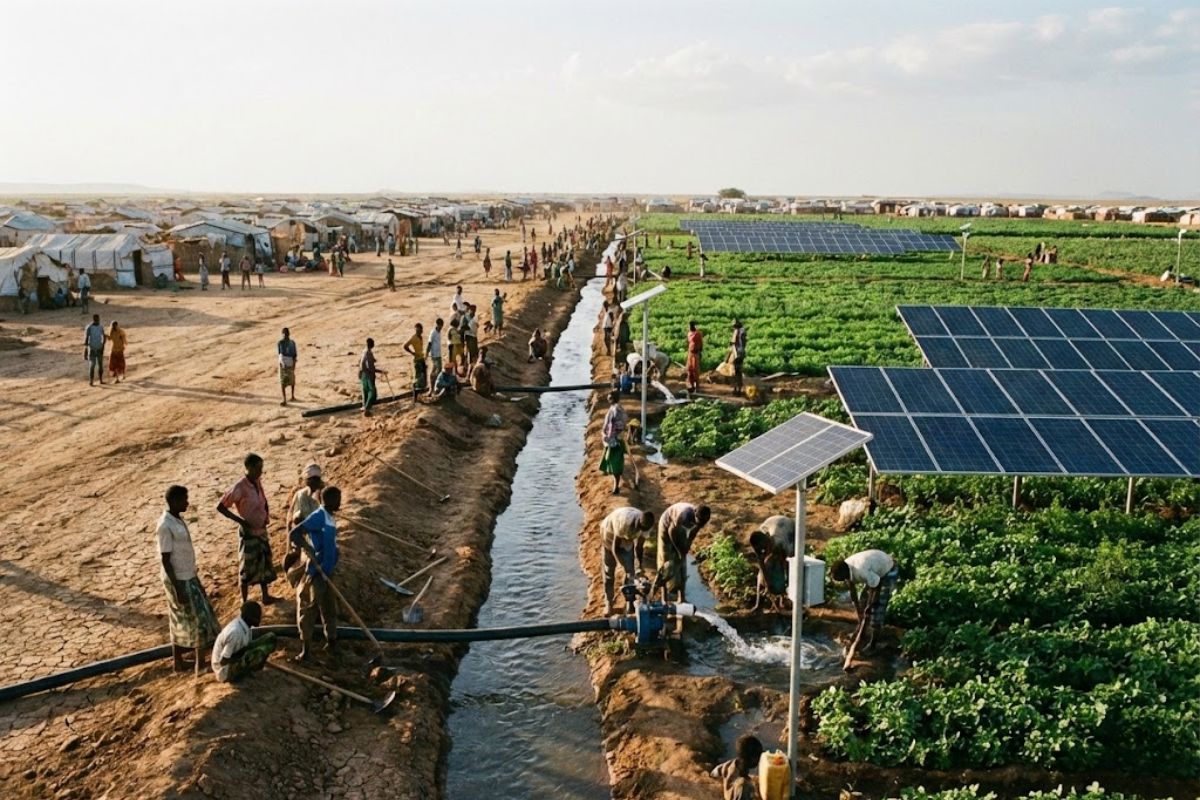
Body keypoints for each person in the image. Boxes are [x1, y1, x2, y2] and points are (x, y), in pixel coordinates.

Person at [158, 484, 219, 673]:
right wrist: (178, 588)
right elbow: (165, 560)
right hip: (178, 578)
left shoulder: (176, 519)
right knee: (198, 619)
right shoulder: (165, 526)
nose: (187, 502)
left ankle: (179, 663)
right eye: (184, 499)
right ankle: (200, 665)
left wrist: (196, 579)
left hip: (188, 574)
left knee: (180, 619)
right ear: (174, 501)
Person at [289, 486, 342, 662]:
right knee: (309, 610)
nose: (340, 502)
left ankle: (332, 643)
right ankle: (306, 651)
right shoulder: (318, 516)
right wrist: (309, 549)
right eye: (338, 499)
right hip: (316, 571)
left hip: (328, 571)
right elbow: (295, 533)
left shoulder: (329, 517)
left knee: (329, 609)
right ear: (330, 500)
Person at [217, 453, 278, 605]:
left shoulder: (257, 481)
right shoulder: (240, 487)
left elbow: (263, 501)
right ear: (248, 467)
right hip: (249, 533)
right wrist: (241, 521)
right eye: (258, 468)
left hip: (261, 530)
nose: (261, 471)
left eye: (261, 468)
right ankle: (244, 602)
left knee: (264, 562)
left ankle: (265, 596)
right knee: (246, 567)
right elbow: (221, 507)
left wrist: (265, 516)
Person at [829, 549, 898, 654]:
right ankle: (862, 631)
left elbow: (876, 585)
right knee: (863, 601)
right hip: (874, 570)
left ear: (843, 574)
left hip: (887, 570)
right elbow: (853, 591)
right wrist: (860, 614)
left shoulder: (861, 570)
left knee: (877, 609)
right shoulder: (847, 567)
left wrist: (870, 606)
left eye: (839, 579)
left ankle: (873, 645)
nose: (840, 581)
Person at [600, 506, 655, 615]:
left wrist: (639, 566)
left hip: (626, 538)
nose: (643, 531)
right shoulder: (625, 523)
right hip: (609, 534)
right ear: (638, 523)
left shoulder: (647, 525)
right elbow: (615, 548)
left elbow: (639, 547)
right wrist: (621, 566)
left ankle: (630, 603)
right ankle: (609, 603)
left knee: (631, 572)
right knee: (609, 571)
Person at [654, 502, 711, 603]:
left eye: (702, 523)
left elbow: (694, 531)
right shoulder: (684, 515)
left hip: (679, 528)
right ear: (695, 514)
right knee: (666, 562)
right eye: (699, 522)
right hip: (667, 525)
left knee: (682, 563)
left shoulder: (701, 519)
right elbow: (671, 531)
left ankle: (682, 598)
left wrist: (687, 545)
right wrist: (678, 550)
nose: (700, 524)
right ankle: (664, 598)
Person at [211, 601, 276, 683]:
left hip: (237, 656)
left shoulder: (245, 626)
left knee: (270, 637)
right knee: (259, 652)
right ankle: (245, 672)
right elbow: (223, 661)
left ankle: (251, 669)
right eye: (255, 617)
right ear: (247, 617)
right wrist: (245, 657)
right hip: (225, 671)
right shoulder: (235, 633)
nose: (259, 619)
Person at [284, 463, 324, 586]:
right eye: (311, 480)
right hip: (303, 532)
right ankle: (294, 574)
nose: (314, 483)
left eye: (316, 480)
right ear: (306, 481)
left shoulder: (321, 494)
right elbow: (295, 518)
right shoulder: (301, 495)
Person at [748, 515, 794, 612]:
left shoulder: (781, 544)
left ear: (768, 541)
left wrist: (787, 586)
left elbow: (787, 565)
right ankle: (758, 603)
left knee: (781, 565)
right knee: (764, 569)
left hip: (787, 526)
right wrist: (767, 583)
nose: (763, 551)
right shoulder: (757, 541)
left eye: (765, 548)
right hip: (771, 523)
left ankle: (784, 599)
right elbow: (761, 564)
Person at [710, 735, 764, 800]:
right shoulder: (744, 786)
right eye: (759, 756)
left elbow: (714, 773)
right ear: (752, 759)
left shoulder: (728, 765)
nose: (760, 759)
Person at [599, 392, 628, 494]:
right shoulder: (614, 408)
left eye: (610, 397)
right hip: (612, 440)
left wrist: (610, 435)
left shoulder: (617, 410)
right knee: (611, 461)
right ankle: (615, 485)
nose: (608, 398)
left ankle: (616, 487)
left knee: (616, 465)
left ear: (613, 398)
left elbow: (618, 425)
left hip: (615, 441)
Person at [359, 337, 384, 415]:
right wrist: (369, 372)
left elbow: (363, 363)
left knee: (366, 391)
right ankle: (367, 409)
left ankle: (365, 406)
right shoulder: (367, 353)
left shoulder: (366, 352)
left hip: (366, 374)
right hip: (368, 375)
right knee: (372, 392)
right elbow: (362, 364)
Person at [405, 322, 428, 394]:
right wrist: (412, 353)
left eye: (420, 330)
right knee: (418, 377)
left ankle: (422, 391)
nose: (419, 331)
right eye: (417, 330)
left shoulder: (420, 337)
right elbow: (405, 346)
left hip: (422, 358)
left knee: (424, 376)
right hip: (417, 360)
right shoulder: (413, 338)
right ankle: (416, 392)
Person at [84, 313, 106, 386]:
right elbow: (86, 339)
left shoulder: (100, 327)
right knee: (92, 366)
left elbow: (104, 336)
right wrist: (86, 350)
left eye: (98, 319)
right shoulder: (89, 327)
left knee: (100, 365)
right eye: (96, 319)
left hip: (99, 348)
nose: (97, 320)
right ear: (94, 319)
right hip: (92, 349)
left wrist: (103, 346)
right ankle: (91, 381)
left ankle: (100, 380)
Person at [278, 327, 298, 406]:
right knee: (292, 380)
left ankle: (285, 399)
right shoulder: (292, 342)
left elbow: (280, 354)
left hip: (285, 363)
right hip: (290, 362)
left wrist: (281, 363)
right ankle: (292, 396)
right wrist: (294, 364)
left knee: (283, 382)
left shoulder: (280, 342)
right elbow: (295, 355)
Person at [729, 320, 747, 396]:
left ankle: (736, 389)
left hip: (737, 353)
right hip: (741, 353)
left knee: (735, 372)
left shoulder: (737, 332)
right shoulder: (742, 332)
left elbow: (734, 343)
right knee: (739, 371)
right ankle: (738, 389)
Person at [685, 320, 703, 394]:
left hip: (695, 354)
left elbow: (701, 344)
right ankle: (691, 386)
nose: (689, 327)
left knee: (695, 370)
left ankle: (697, 387)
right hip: (690, 353)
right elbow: (688, 343)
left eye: (690, 326)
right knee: (689, 370)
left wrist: (699, 352)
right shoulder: (689, 333)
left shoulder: (698, 334)